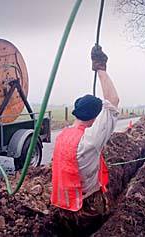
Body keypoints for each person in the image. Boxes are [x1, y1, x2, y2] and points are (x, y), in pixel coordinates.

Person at [50, 45, 119, 236]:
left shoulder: (63, 136)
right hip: (87, 206)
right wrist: (101, 70)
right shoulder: (89, 140)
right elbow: (113, 100)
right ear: (94, 118)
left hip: (65, 207)